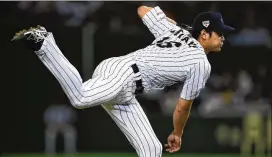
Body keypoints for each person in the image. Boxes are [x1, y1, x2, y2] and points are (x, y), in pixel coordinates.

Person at [12, 5, 234, 157]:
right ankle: (44, 43)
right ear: (204, 34)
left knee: (151, 149)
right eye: (219, 33)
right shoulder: (200, 63)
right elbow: (182, 107)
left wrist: (176, 26)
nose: (223, 36)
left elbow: (143, 9)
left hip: (125, 88)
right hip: (123, 75)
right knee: (80, 97)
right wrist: (177, 133)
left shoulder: (174, 30)